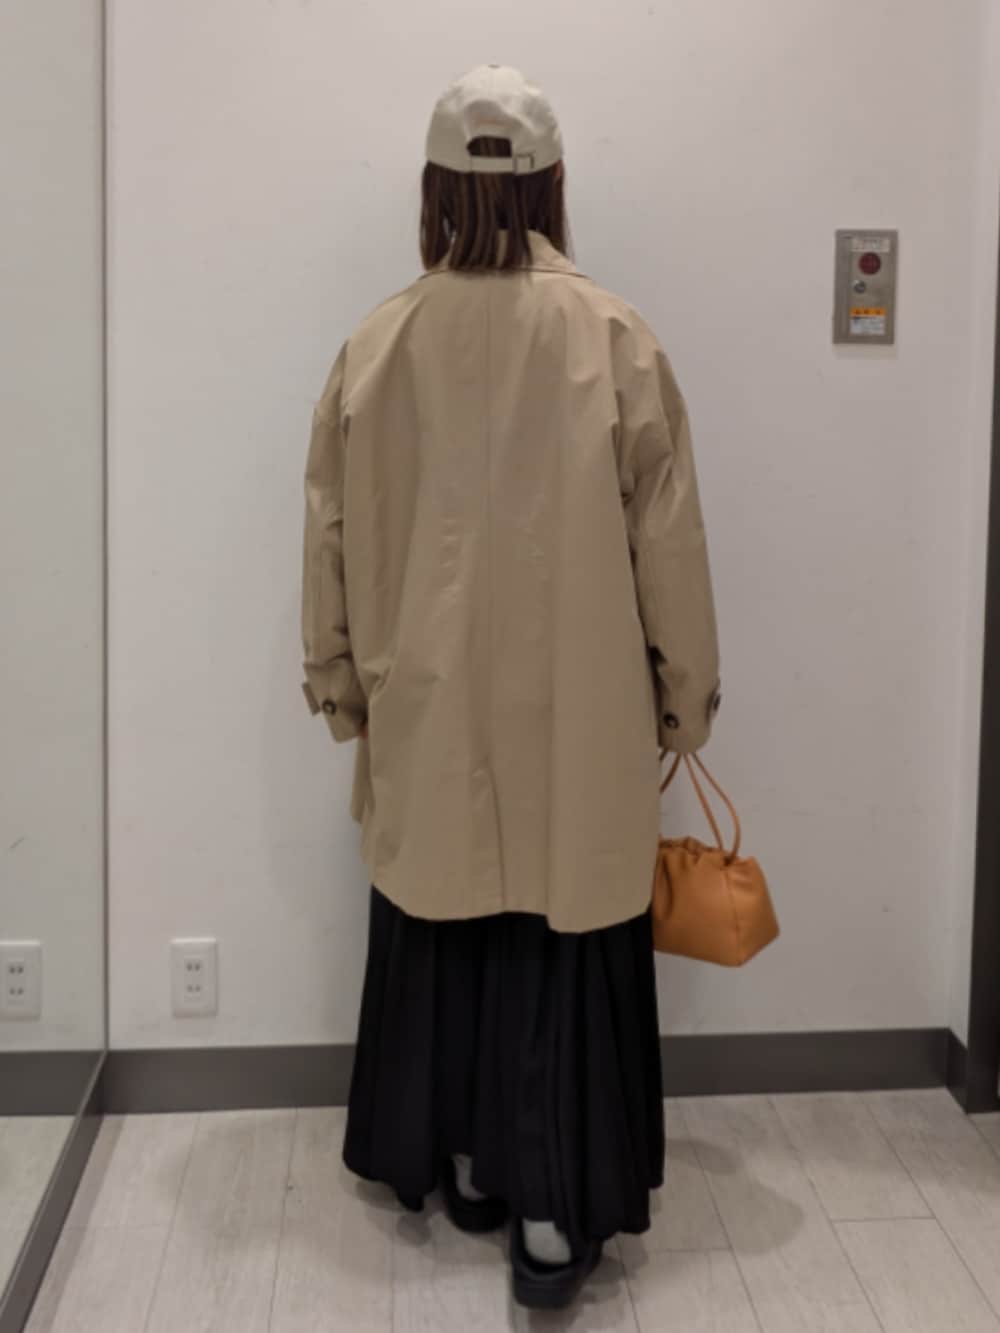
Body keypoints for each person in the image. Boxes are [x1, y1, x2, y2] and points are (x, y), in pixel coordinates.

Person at [299, 62, 721, 1310]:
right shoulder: (614, 338)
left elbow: (327, 536)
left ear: (434, 190)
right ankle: (546, 1208)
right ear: (551, 185)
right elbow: (670, 543)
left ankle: (467, 1164)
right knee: (556, 936)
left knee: (445, 919)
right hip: (577, 721)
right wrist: (684, 696)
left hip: (423, 709)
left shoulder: (377, 344)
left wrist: (337, 682)